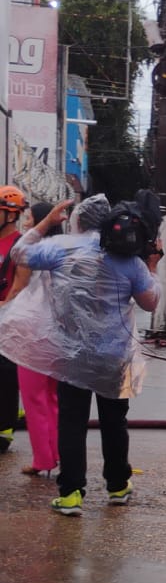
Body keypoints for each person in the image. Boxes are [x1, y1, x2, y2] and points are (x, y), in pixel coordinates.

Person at [0, 194, 161, 516]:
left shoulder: (61, 249)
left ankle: (71, 493)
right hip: (114, 357)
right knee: (114, 422)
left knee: (72, 422)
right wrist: (152, 266)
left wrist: (45, 222)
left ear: (77, 221)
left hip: (70, 355)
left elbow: (19, 253)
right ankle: (117, 486)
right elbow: (150, 303)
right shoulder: (129, 260)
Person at [13, 201, 67, 476]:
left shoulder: (32, 253)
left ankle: (43, 459)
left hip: (32, 333)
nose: (25, 223)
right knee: (52, 397)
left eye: (29, 218)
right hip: (58, 334)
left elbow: (17, 288)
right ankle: (55, 453)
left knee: (34, 400)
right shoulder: (65, 252)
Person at [0, 185, 28, 453]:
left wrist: (4, 309)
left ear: (11, 215)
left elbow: (20, 286)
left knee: (6, 376)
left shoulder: (20, 246)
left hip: (8, 320)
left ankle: (4, 430)